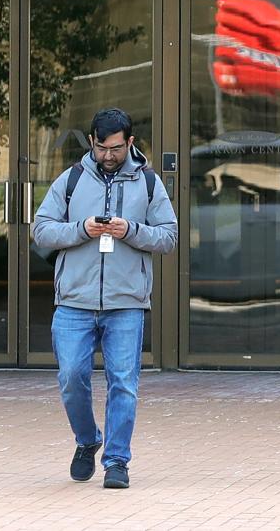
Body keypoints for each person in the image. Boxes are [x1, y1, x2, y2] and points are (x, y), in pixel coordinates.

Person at [31, 107, 178, 490]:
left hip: (126, 301)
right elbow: (42, 231)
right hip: (74, 301)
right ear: (92, 142)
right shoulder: (72, 179)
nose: (107, 156)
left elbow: (168, 237)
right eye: (100, 148)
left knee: (123, 383)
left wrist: (131, 230)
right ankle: (87, 440)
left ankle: (116, 461)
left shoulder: (148, 183)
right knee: (71, 377)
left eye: (114, 148)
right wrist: (81, 229)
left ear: (129, 143)